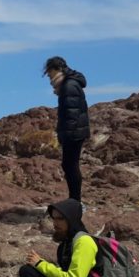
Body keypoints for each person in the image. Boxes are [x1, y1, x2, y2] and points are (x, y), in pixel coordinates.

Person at [44, 56, 90, 202]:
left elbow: (72, 113)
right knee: (69, 165)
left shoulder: (68, 86)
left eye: (50, 73)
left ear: (57, 69)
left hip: (74, 133)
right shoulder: (67, 84)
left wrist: (66, 136)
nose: (49, 77)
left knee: (70, 166)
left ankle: (75, 200)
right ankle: (74, 199)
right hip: (75, 132)